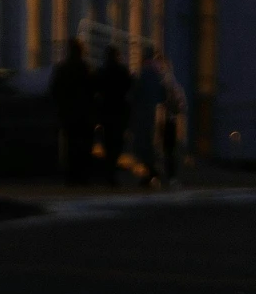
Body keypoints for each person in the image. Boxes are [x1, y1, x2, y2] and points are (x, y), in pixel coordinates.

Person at [49, 37, 96, 184]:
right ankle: (82, 176)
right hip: (83, 113)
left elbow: (54, 89)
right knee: (84, 146)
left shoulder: (63, 68)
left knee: (70, 145)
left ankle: (71, 176)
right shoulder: (86, 68)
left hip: (68, 113)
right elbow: (92, 90)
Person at [95, 44, 132, 186]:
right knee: (116, 143)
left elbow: (96, 88)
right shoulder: (122, 71)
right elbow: (128, 87)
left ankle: (109, 172)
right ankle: (111, 172)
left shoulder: (102, 71)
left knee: (108, 143)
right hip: (118, 112)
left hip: (106, 112)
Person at [131, 46, 168, 187]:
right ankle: (152, 173)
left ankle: (152, 172)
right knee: (149, 144)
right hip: (152, 112)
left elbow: (137, 93)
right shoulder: (157, 73)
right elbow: (161, 94)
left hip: (143, 113)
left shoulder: (145, 72)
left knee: (143, 145)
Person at [161, 60, 186, 185]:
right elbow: (182, 105)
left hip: (168, 121)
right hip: (172, 121)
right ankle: (172, 176)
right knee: (171, 150)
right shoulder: (176, 86)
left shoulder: (166, 85)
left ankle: (169, 176)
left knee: (168, 150)